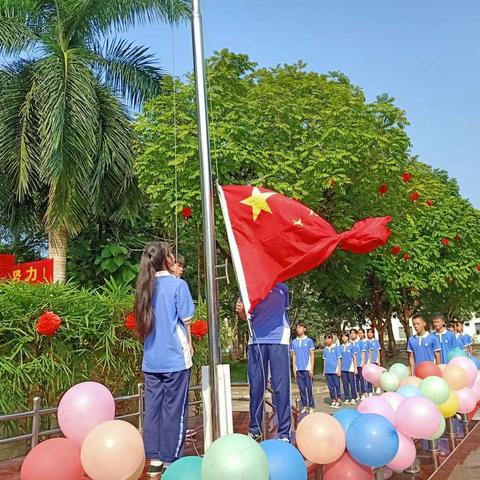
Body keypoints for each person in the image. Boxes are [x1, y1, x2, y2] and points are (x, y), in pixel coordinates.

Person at [135, 242, 194, 477]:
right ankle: (171, 459)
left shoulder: (143, 287)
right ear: (168, 260)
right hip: (175, 360)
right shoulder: (178, 285)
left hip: (151, 359)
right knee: (174, 409)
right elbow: (187, 319)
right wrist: (189, 344)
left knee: (153, 410)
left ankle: (155, 459)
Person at [236, 283, 291, 442]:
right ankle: (255, 430)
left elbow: (284, 312)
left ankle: (284, 432)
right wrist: (241, 310)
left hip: (279, 340)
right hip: (257, 340)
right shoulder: (249, 285)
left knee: (281, 387)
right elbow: (245, 316)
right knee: (256, 387)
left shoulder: (283, 288)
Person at [291, 323, 315, 414]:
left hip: (307, 368)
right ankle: (305, 405)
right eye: (297, 328)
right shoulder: (294, 342)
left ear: (304, 329)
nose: (298, 329)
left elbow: (312, 355)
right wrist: (294, 368)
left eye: (300, 328)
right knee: (301, 389)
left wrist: (311, 368)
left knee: (309, 388)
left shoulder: (309, 341)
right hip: (298, 368)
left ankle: (311, 406)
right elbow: (294, 356)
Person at [323, 333, 342, 409]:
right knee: (330, 387)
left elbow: (339, 359)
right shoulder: (325, 349)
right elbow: (324, 360)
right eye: (327, 338)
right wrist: (324, 370)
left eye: (329, 338)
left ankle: (339, 400)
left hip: (335, 370)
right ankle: (333, 399)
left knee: (337, 386)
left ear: (332, 339)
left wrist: (339, 369)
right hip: (328, 371)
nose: (328, 340)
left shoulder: (336, 348)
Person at [340, 332, 357, 405]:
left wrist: (355, 367)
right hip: (343, 368)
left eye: (345, 336)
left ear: (348, 337)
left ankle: (353, 397)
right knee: (345, 384)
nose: (344, 338)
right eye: (343, 336)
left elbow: (354, 357)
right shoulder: (340, 347)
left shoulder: (351, 346)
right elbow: (339, 358)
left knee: (352, 383)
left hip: (350, 368)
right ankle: (347, 397)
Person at [350, 329, 367, 400]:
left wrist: (363, 363)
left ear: (356, 334)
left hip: (360, 364)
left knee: (361, 379)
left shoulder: (360, 342)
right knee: (355, 380)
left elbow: (363, 353)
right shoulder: (350, 343)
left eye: (354, 333)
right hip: (352, 365)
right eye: (351, 333)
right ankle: (357, 393)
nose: (352, 335)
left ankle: (363, 393)